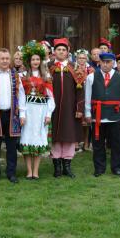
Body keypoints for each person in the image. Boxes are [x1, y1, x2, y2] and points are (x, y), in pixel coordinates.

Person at [85, 52, 120, 177]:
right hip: (98, 115)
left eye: (109, 62)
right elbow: (87, 97)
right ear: (100, 62)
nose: (106, 64)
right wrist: (87, 112)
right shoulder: (91, 77)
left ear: (113, 63)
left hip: (116, 115)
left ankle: (117, 167)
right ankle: (99, 168)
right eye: (104, 62)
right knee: (98, 144)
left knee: (117, 143)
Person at [0, 48, 26, 184]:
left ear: (10, 60)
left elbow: (21, 96)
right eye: (2, 58)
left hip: (12, 114)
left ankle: (11, 173)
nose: (4, 61)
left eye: (7, 58)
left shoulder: (16, 75)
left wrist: (23, 113)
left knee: (12, 147)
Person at [49, 38, 85, 178]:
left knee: (69, 136)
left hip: (70, 109)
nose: (61, 52)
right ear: (54, 51)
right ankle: (57, 166)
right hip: (53, 109)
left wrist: (79, 108)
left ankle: (67, 166)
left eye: (64, 50)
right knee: (56, 136)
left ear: (68, 52)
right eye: (59, 49)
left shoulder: (75, 68)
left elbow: (80, 91)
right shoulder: (49, 67)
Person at [19, 41, 54, 180]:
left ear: (41, 60)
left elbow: (51, 97)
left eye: (37, 59)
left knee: (39, 137)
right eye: (33, 59)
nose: (35, 61)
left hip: (41, 111)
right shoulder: (23, 76)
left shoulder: (46, 76)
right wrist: (22, 113)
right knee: (27, 137)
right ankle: (28, 171)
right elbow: (21, 96)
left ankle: (36, 171)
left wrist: (49, 114)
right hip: (28, 110)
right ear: (29, 61)